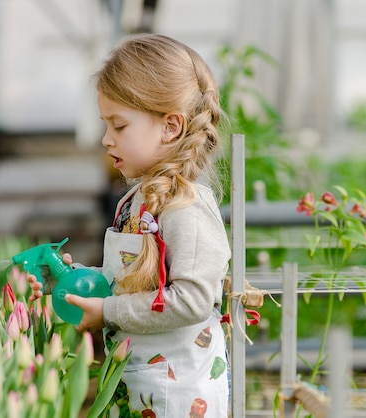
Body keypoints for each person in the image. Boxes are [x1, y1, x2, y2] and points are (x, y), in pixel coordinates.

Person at [28, 33, 231, 417]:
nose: (106, 140)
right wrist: (74, 282)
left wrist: (107, 311)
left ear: (170, 126)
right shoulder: (134, 201)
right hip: (139, 388)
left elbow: (191, 301)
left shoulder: (187, 208)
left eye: (119, 126)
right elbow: (131, 283)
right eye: (106, 125)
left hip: (182, 399)